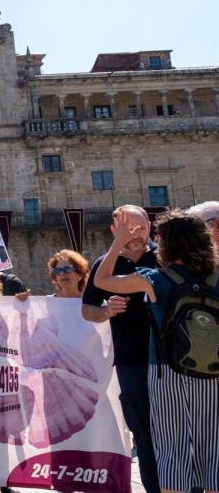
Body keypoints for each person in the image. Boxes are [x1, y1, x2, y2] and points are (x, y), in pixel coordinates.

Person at [92, 208, 219, 493]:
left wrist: (117, 242)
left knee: (171, 451)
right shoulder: (216, 278)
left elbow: (102, 281)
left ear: (167, 244)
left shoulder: (155, 279)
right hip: (213, 374)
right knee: (213, 452)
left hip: (165, 373)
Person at [81, 205, 161, 493]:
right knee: (145, 434)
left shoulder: (165, 257)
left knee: (179, 433)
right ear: (114, 231)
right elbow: (87, 309)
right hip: (131, 362)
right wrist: (107, 312)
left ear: (150, 226)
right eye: (127, 230)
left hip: (170, 361)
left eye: (139, 227)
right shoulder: (105, 263)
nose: (135, 234)